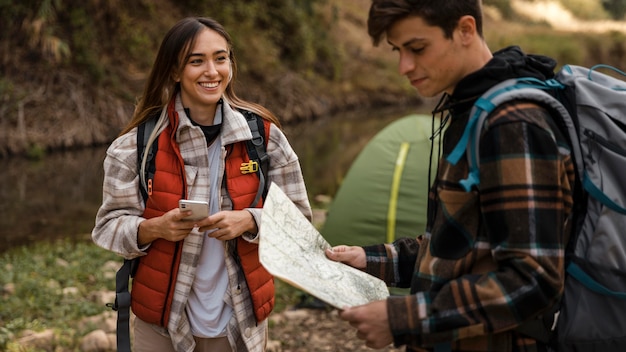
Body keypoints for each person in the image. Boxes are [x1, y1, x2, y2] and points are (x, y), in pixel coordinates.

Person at [325, 1, 574, 351]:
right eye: (398, 51)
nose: (403, 66)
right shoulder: (471, 108)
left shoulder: (513, 124)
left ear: (465, 30)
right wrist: (370, 260)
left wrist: (402, 320)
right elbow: (460, 245)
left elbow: (534, 280)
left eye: (417, 48)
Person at [92, 17, 312, 352]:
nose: (212, 71)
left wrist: (251, 220)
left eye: (220, 58)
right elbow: (108, 227)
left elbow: (300, 222)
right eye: (196, 61)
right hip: (161, 325)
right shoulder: (135, 145)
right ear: (174, 71)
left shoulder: (264, 138)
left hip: (238, 322)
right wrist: (155, 228)